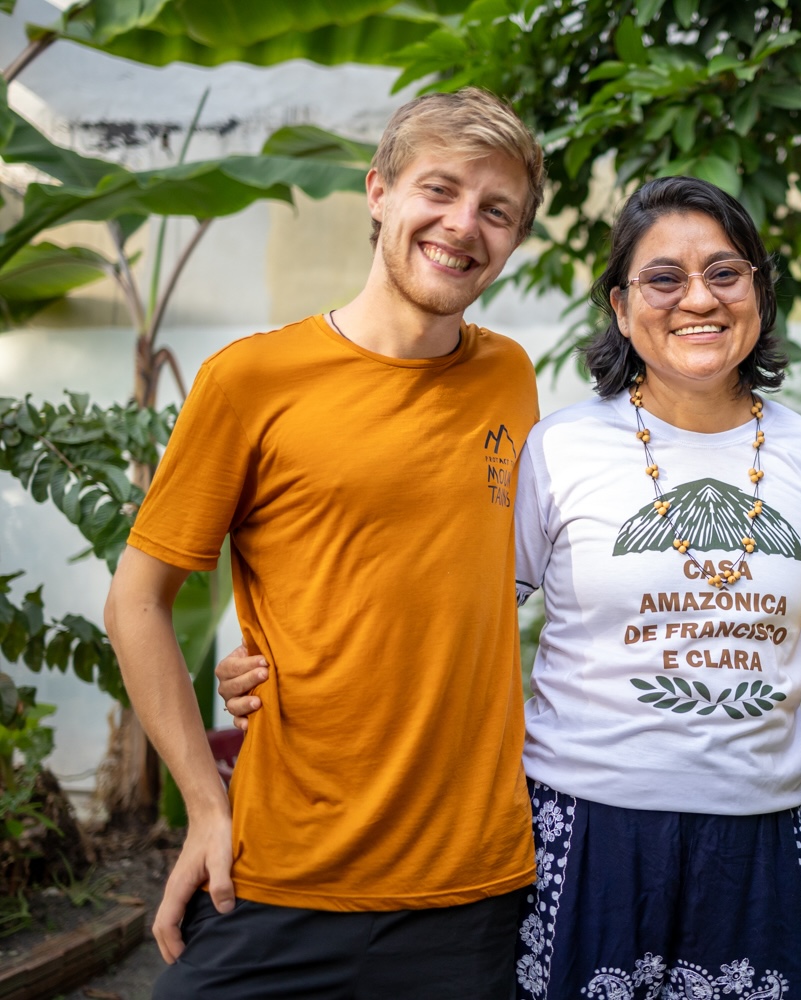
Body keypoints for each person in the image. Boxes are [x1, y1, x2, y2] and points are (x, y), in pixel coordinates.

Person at [216, 175, 801, 1000]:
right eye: (664, 278)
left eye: (726, 273)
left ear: (760, 293)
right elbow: (459, 618)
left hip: (758, 837)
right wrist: (286, 659)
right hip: (583, 828)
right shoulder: (558, 449)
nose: (699, 298)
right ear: (622, 308)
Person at [102, 87, 546, 1000]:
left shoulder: (512, 378)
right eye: (440, 190)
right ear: (378, 191)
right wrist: (202, 804)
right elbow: (135, 601)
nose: (464, 225)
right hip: (279, 873)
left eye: (495, 211)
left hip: (467, 886)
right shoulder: (250, 379)